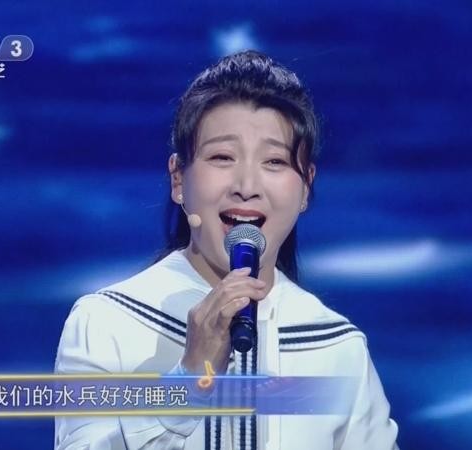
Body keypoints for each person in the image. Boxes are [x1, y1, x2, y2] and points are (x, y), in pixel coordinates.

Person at [54, 50, 399, 450]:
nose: (246, 186)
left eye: (274, 161)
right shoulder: (109, 323)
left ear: (306, 186)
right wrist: (188, 381)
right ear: (178, 178)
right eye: (222, 157)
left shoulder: (337, 347)